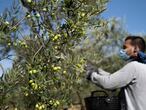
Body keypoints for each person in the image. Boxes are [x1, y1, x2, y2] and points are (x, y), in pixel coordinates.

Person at [86, 36, 146, 110]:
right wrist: (99, 71)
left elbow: (108, 83)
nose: (122, 50)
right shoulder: (142, 67)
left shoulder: (134, 66)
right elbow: (115, 78)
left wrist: (90, 74)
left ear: (135, 49)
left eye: (125, 47)